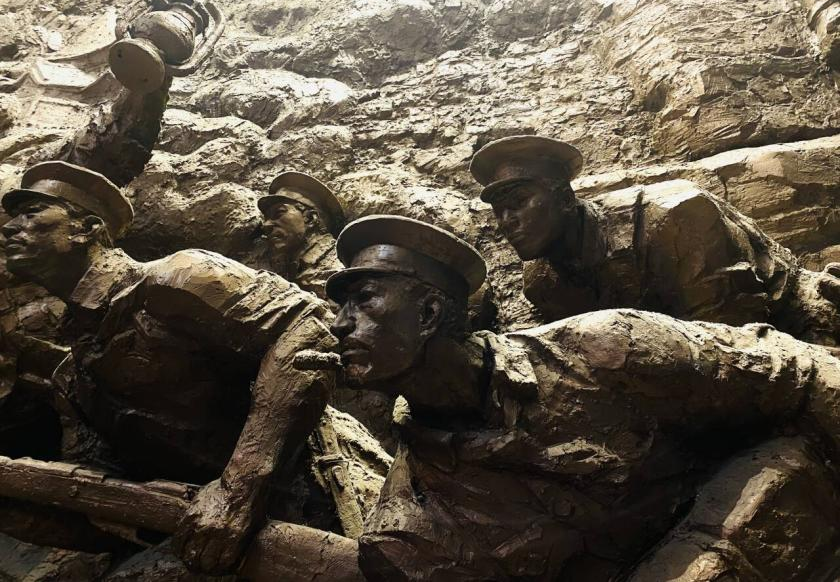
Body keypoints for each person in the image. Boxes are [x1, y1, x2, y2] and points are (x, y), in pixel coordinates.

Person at [174, 214, 840, 580]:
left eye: (362, 300)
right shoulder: (407, 528)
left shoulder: (607, 350)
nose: (338, 324)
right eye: (337, 306)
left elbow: (805, 376)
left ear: (429, 314)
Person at [0, 161, 342, 573]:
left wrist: (238, 490)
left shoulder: (177, 277)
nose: (9, 228)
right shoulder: (72, 376)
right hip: (216, 537)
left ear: (86, 229)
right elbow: (116, 511)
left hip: (321, 494)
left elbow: (309, 330)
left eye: (31, 213)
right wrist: (19, 506)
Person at [471, 135, 840, 344]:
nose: (506, 222)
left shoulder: (670, 216)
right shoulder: (543, 282)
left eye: (519, 202)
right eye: (498, 211)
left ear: (566, 199)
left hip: (800, 326)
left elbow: (738, 337)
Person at [258, 171, 345, 299]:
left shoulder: (339, 266)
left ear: (310, 218)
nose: (266, 225)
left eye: (279, 213)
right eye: (266, 219)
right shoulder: (288, 269)